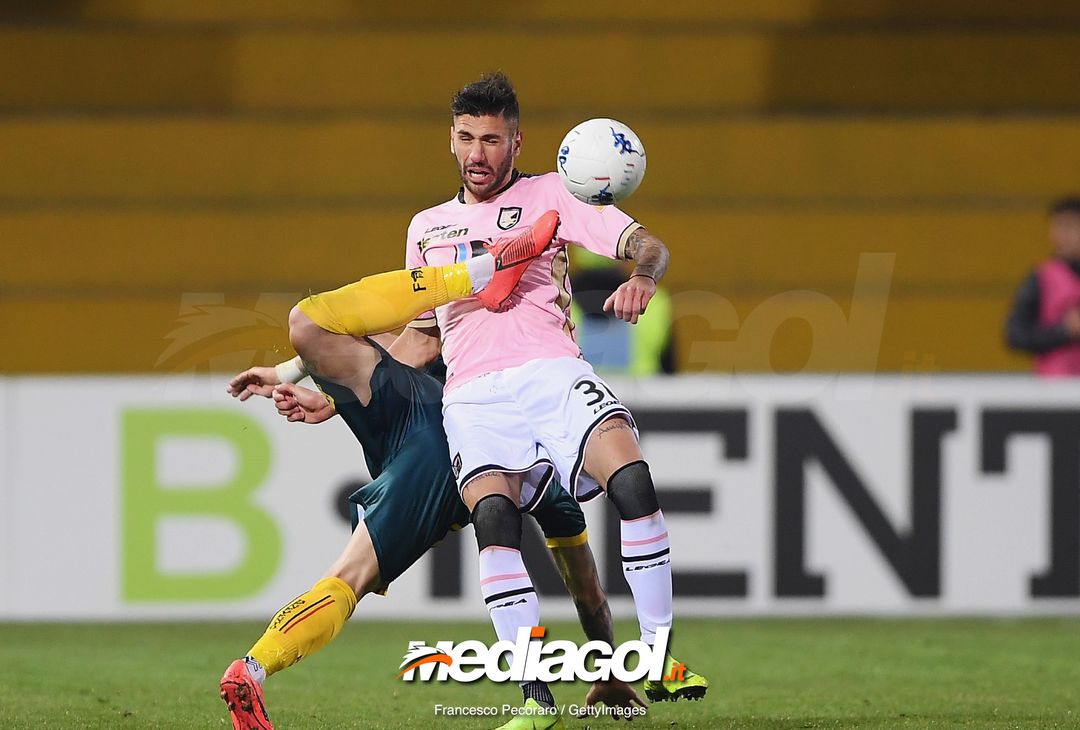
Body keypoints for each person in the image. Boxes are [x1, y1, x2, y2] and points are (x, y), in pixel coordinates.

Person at [292, 72, 708, 719]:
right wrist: (338, 397)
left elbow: (648, 245)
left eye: (491, 139)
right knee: (495, 522)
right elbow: (422, 338)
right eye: (466, 138)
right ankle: (536, 699)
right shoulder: (427, 227)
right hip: (474, 395)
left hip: (553, 372)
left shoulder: (557, 193)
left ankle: (655, 656)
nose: (477, 153)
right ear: (451, 140)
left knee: (633, 482)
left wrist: (644, 277)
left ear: (517, 142)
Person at [220, 233, 644, 729]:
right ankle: (554, 695)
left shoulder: (447, 259)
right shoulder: (534, 319)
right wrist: (607, 665)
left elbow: (410, 341)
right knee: (568, 549)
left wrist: (320, 387)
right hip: (488, 434)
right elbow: (585, 585)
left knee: (350, 576)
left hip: (430, 428)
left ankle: (254, 667)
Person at [570, 248, 676, 376]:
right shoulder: (653, 300)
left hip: (580, 388)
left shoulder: (557, 301)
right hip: (642, 388)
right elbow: (670, 372)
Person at [1006, 196, 1080, 376]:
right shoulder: (1041, 278)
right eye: (1057, 227)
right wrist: (1064, 331)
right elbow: (1015, 335)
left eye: (1069, 227)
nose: (1060, 236)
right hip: (1055, 387)